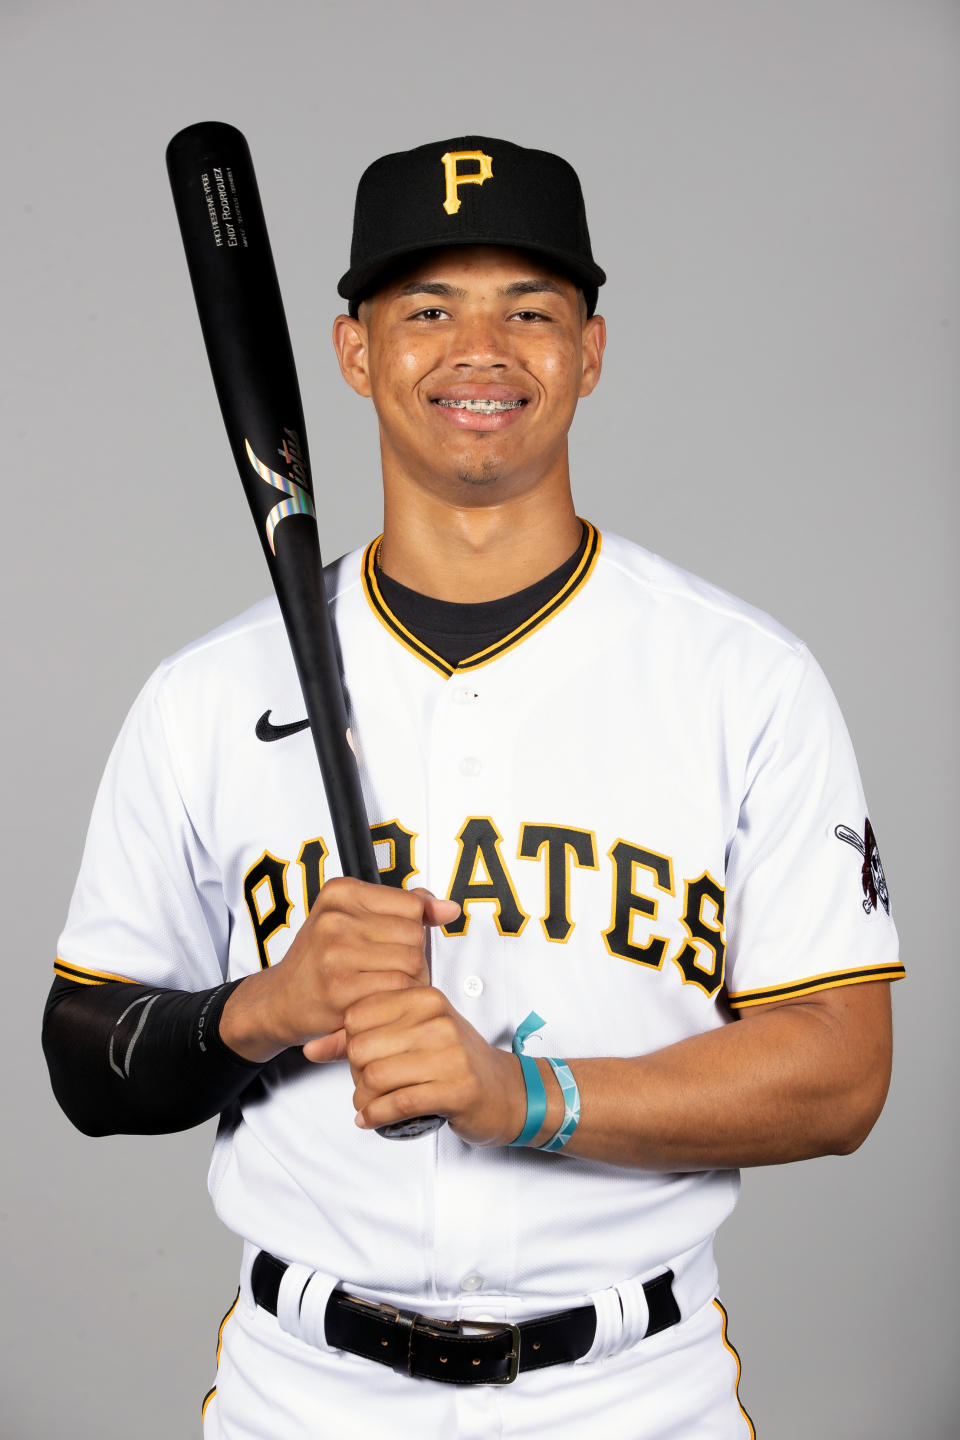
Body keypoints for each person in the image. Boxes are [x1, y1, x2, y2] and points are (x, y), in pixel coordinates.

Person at [44, 136, 904, 1439]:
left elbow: (841, 1077)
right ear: (353, 352)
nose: (481, 349)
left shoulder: (744, 679)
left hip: (634, 1396)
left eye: (531, 310)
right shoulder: (206, 695)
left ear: (591, 352)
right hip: (305, 1395)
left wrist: (525, 1100)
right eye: (429, 308)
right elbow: (84, 1061)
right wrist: (267, 1006)